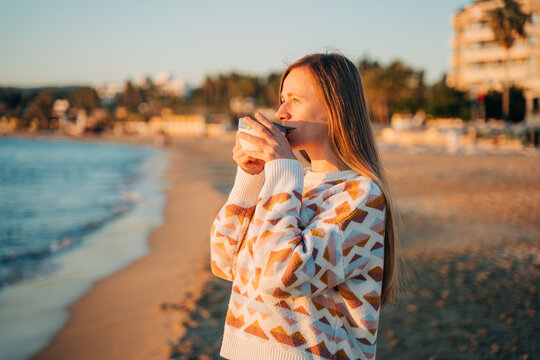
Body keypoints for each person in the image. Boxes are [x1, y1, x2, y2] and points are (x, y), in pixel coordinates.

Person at [209, 53, 401, 360]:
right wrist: (249, 178)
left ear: (333, 109)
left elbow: (281, 274)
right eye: (282, 100)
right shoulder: (292, 184)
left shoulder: (362, 196)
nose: (281, 112)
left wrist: (284, 169)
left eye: (294, 100)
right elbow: (224, 260)